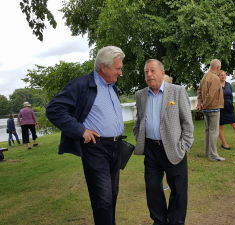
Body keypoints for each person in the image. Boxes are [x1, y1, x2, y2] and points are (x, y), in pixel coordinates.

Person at [46, 46, 125, 225]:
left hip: (115, 147)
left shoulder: (112, 87)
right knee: (102, 198)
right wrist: (81, 130)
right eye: (118, 68)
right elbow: (54, 109)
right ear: (104, 67)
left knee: (112, 194)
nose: (121, 73)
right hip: (96, 148)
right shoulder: (82, 84)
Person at [134, 59, 194, 225]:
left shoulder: (177, 91)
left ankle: (176, 221)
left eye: (152, 71)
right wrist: (139, 138)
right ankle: (159, 221)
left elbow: (187, 123)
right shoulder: (140, 95)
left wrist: (184, 146)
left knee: (178, 190)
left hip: (174, 148)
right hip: (151, 150)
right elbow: (138, 122)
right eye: (146, 72)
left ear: (162, 72)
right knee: (152, 188)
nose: (149, 74)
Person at [197, 59, 225, 161]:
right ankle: (213, 155)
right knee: (213, 132)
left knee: (208, 131)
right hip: (212, 108)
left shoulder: (204, 76)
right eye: (220, 68)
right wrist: (203, 105)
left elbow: (199, 91)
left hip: (206, 109)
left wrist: (200, 104)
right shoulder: (215, 78)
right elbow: (211, 95)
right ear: (217, 68)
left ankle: (207, 153)